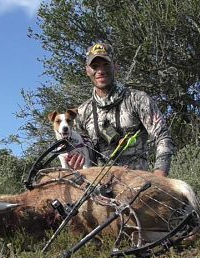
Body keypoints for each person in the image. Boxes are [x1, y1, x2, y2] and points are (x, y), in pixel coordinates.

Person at [66, 42, 174, 177]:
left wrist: (158, 177)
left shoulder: (137, 99)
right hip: (100, 188)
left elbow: (163, 136)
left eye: (105, 64)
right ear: (87, 71)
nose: (100, 71)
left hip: (139, 184)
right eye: (94, 66)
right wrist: (77, 158)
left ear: (115, 67)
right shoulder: (82, 113)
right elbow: (86, 153)